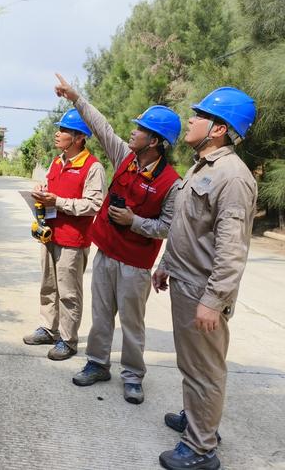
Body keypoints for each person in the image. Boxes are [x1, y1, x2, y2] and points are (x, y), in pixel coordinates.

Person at [54, 73, 181, 404]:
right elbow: (102, 127)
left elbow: (167, 227)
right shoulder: (125, 157)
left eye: (140, 129)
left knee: (132, 322)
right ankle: (97, 363)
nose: (133, 131)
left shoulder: (172, 183)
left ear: (154, 141)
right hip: (105, 254)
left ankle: (133, 376)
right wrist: (75, 98)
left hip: (136, 265)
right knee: (101, 315)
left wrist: (134, 221)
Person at [153, 87, 257, 470]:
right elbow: (186, 227)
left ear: (217, 129)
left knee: (205, 370)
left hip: (203, 289)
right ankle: (197, 418)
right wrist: (166, 262)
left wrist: (214, 300)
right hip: (185, 280)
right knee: (192, 365)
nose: (190, 120)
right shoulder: (202, 168)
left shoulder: (233, 177)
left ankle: (200, 448)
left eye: (198, 115)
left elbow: (232, 250)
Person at [23, 109, 106, 361]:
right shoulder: (57, 161)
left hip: (73, 240)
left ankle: (68, 340)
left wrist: (57, 201)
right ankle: (49, 328)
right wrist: (42, 190)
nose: (57, 133)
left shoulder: (93, 168)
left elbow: (94, 204)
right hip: (50, 235)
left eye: (64, 130)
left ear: (79, 137)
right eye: (59, 129)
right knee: (48, 286)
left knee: (69, 293)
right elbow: (52, 189)